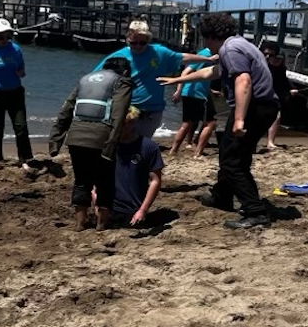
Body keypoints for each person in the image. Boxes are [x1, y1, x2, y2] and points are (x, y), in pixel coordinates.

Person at [157, 12, 280, 229]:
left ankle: (255, 211)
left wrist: (239, 119)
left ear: (211, 36)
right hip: (263, 106)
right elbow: (212, 72)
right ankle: (222, 195)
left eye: (205, 39)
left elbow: (244, 81)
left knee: (232, 161)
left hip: (255, 107)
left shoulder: (229, 49)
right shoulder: (240, 44)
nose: (205, 44)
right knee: (230, 152)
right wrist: (178, 79)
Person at [49, 57, 133, 231]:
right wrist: (111, 144)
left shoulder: (85, 80)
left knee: (81, 180)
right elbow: (118, 114)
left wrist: (56, 139)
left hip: (76, 138)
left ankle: (81, 223)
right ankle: (102, 224)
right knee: (105, 181)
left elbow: (66, 110)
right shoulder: (122, 81)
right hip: (101, 139)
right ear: (125, 71)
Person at [94, 20, 213, 138]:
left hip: (152, 112)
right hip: (126, 109)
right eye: (133, 43)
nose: (138, 46)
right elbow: (97, 77)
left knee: (141, 145)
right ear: (127, 39)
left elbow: (182, 57)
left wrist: (208, 60)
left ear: (148, 40)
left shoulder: (159, 52)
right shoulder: (118, 56)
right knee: (122, 144)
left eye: (142, 43)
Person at [0, 18, 33, 171]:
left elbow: (21, 69)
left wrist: (21, 72)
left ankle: (24, 159)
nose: (5, 39)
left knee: (21, 126)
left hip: (15, 92)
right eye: (1, 36)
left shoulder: (15, 49)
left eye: (8, 36)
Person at [111, 106, 164, 227]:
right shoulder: (108, 145)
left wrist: (143, 210)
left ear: (132, 123)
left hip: (132, 210)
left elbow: (155, 180)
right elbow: (95, 174)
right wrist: (96, 200)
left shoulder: (149, 147)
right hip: (107, 208)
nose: (119, 128)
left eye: (123, 124)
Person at [169, 46, 218, 157]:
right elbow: (186, 71)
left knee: (188, 123)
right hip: (197, 94)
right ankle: (198, 153)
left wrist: (210, 91)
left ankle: (174, 150)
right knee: (211, 123)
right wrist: (178, 90)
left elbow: (201, 78)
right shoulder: (206, 55)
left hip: (193, 93)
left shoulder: (206, 54)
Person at [260, 42, 299, 150]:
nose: (277, 61)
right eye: (275, 58)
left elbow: (284, 80)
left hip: (275, 96)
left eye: (279, 59)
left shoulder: (281, 69)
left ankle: (270, 142)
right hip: (263, 95)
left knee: (277, 117)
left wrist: (292, 88)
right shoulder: (264, 67)